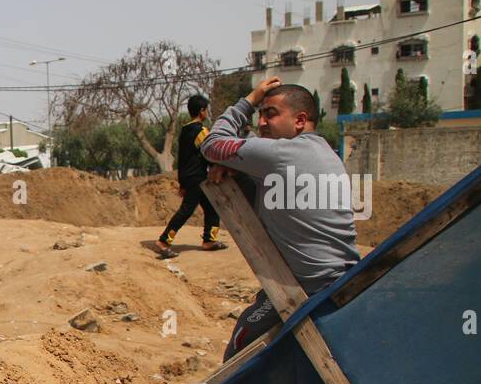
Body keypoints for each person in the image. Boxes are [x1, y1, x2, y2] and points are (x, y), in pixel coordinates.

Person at [201, 77, 360, 361]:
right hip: (337, 281)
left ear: (300, 120)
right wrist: (234, 168)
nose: (262, 122)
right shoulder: (322, 153)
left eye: (270, 113)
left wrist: (249, 99)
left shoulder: (283, 153)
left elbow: (212, 143)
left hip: (310, 291)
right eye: (260, 113)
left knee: (242, 345)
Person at [151, 94, 227, 259]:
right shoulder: (200, 131)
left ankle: (209, 241)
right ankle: (163, 241)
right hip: (197, 177)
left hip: (187, 176)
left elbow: (184, 157)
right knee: (186, 210)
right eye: (206, 110)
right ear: (201, 111)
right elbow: (210, 152)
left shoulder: (184, 130)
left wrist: (182, 182)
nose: (207, 113)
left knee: (211, 207)